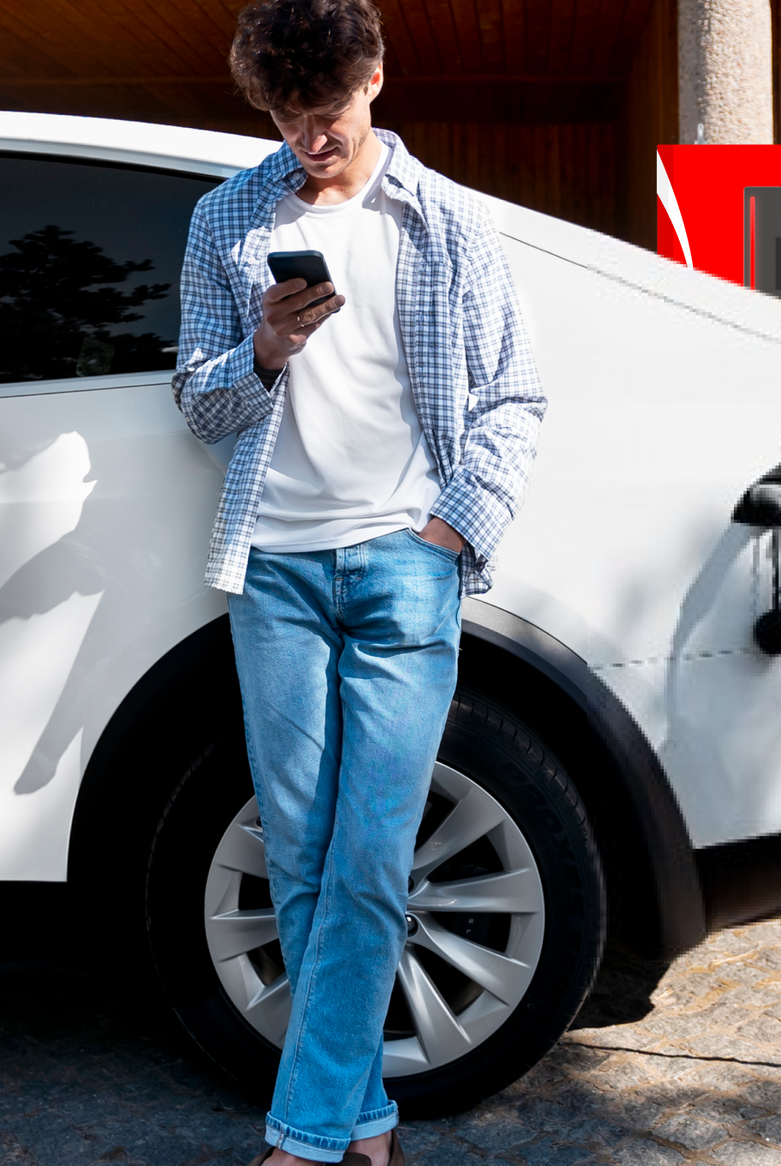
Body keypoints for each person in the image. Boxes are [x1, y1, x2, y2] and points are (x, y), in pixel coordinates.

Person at [172, 0, 545, 1161]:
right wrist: (268, 347)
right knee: (299, 848)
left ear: (374, 77)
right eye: (286, 116)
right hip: (273, 568)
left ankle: (303, 1135)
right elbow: (198, 400)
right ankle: (365, 1119)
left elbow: (516, 400)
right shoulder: (227, 218)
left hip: (402, 565)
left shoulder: (446, 225)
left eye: (324, 112)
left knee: (372, 857)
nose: (307, 139)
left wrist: (447, 532)